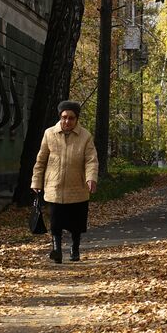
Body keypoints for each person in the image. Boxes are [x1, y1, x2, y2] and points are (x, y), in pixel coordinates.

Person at [31, 100, 99, 263]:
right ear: (60, 117)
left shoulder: (85, 136)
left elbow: (91, 160)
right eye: (64, 117)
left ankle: (75, 249)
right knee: (55, 221)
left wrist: (91, 178)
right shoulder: (49, 134)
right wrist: (36, 182)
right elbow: (41, 160)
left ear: (76, 119)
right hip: (54, 186)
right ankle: (57, 250)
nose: (67, 121)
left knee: (76, 222)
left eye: (71, 118)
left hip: (77, 187)